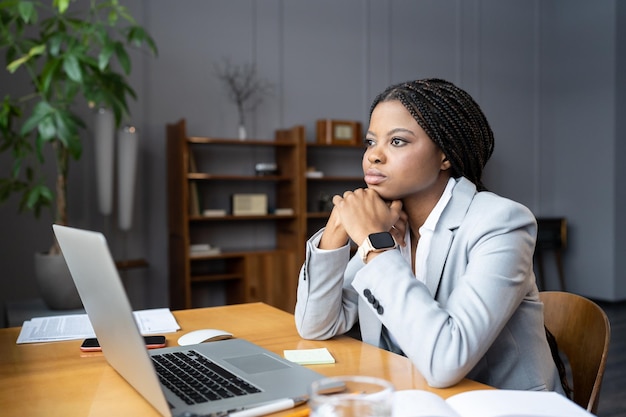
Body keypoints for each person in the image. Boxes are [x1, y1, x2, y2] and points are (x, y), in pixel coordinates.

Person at [294, 78, 566, 394]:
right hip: (414, 398)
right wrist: (337, 228)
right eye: (371, 142)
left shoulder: (501, 223)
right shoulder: (392, 222)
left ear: (445, 156)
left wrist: (375, 244)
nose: (374, 156)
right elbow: (317, 325)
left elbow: (445, 362)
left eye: (397, 142)